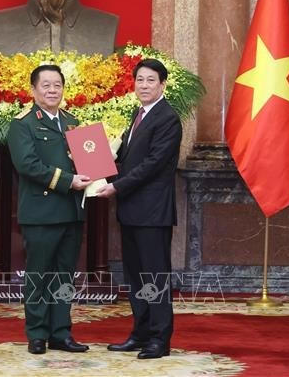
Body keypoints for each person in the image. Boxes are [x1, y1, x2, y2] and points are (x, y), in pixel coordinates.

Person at [97, 59, 182, 359]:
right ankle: (141, 333)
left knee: (155, 278)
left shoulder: (168, 118)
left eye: (150, 80)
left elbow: (152, 165)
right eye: (140, 80)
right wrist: (97, 164)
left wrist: (116, 186)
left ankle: (159, 339)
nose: (144, 86)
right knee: (136, 277)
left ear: (163, 84)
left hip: (153, 213)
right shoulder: (139, 114)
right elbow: (127, 158)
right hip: (132, 210)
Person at [7, 64, 92, 355]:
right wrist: (69, 181)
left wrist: (97, 172)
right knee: (39, 275)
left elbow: (86, 159)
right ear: (33, 90)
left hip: (71, 211)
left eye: (57, 85)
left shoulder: (72, 121)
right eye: (46, 85)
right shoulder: (23, 124)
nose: (52, 90)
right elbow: (27, 165)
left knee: (65, 276)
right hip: (41, 212)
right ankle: (37, 334)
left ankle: (61, 333)